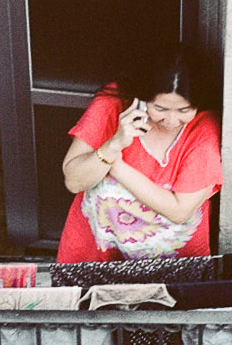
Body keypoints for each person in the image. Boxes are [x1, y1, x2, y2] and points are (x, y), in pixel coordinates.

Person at [58, 45, 223, 268]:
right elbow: (74, 181)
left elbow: (179, 210)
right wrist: (115, 143)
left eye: (184, 110)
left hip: (172, 268)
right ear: (141, 97)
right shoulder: (113, 103)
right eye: (160, 109)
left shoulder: (204, 127)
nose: (171, 121)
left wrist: (115, 167)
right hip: (97, 258)